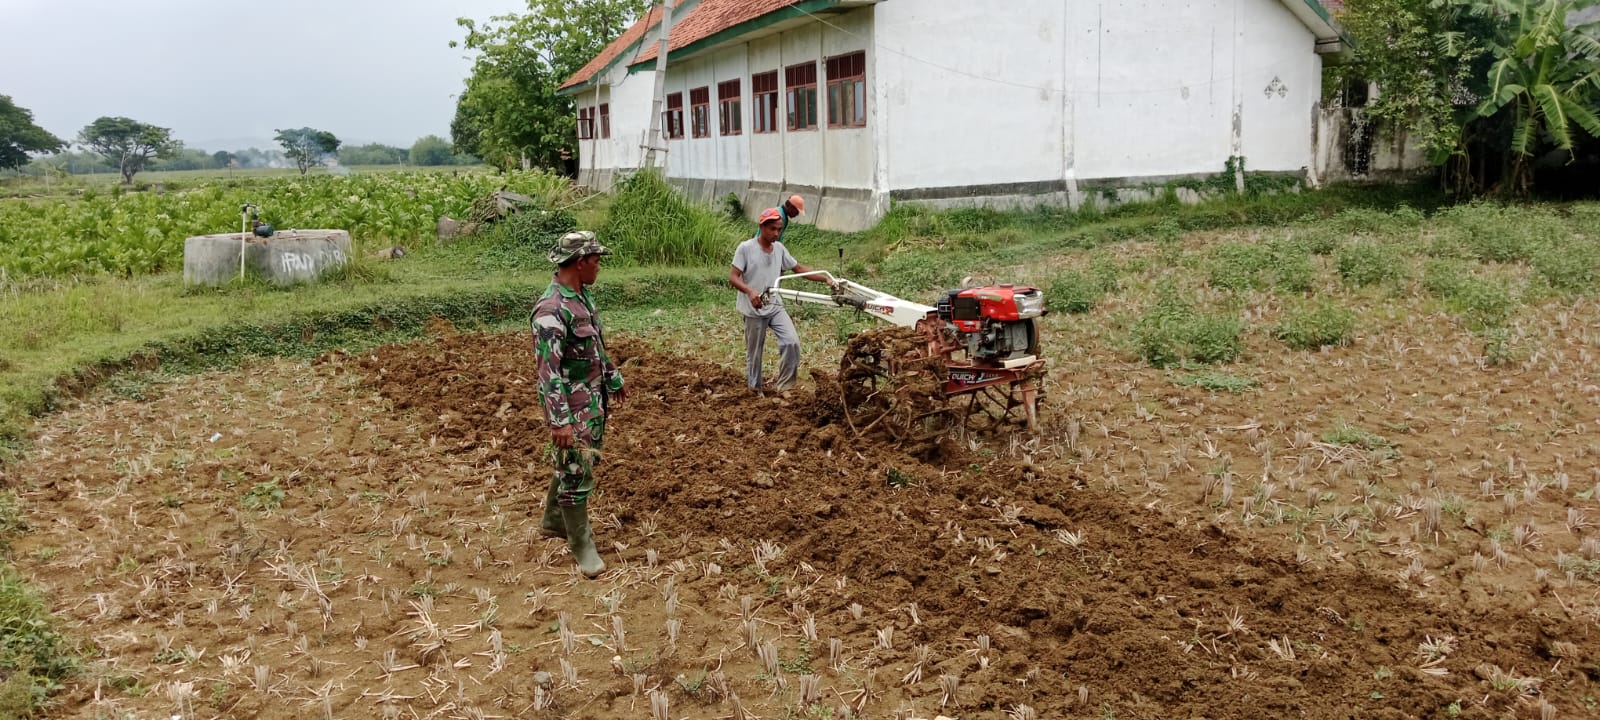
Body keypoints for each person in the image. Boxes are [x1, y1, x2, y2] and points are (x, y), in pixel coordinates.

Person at [531, 230, 626, 578]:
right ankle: (581, 543)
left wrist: (612, 375)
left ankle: (554, 520)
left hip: (592, 398)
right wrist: (560, 422)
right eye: (596, 261)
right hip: (571, 405)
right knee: (576, 470)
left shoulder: (581, 298)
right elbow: (548, 373)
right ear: (579, 262)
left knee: (575, 462)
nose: (599, 267)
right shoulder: (551, 311)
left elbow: (595, 344)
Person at [728, 207, 833, 393]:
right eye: (772, 229)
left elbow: (798, 269)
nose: (776, 233)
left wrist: (825, 278)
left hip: (775, 305)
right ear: (762, 227)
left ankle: (785, 387)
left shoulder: (779, 249)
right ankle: (755, 390)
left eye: (779, 229)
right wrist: (750, 292)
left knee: (791, 342)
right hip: (754, 309)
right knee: (755, 354)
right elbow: (734, 277)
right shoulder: (745, 248)